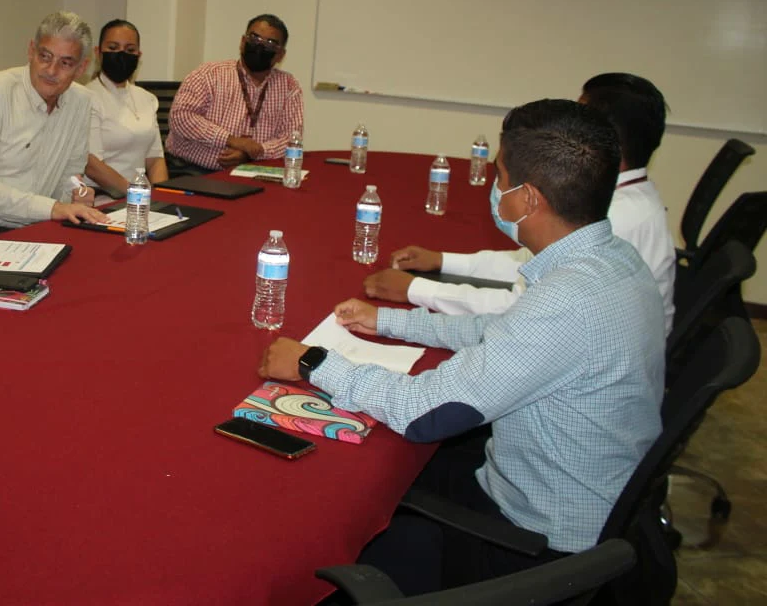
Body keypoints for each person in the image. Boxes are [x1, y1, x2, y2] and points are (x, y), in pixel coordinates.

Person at [259, 99, 664, 595]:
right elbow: (507, 330)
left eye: (500, 177)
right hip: (578, 491)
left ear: (528, 199)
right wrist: (390, 321)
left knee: (333, 514)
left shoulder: (567, 301)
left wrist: (312, 362)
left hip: (535, 541)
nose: (495, 189)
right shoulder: (612, 259)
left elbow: (425, 412)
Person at [364, 73, 676, 334]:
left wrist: (417, 290)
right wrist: (443, 261)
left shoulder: (614, 219)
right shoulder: (630, 197)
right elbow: (529, 267)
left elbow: (518, 310)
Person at [0, 11, 109, 230]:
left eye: (65, 63)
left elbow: (70, 173)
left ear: (81, 68)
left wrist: (75, 194)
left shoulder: (81, 101)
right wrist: (53, 208)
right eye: (45, 57)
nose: (51, 70)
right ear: (31, 51)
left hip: (31, 228)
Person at [165, 14, 304, 172]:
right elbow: (180, 117)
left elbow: (292, 139)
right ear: (242, 42)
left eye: (270, 43)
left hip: (252, 172)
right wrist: (230, 140)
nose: (260, 46)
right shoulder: (209, 74)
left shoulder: (289, 86)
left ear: (280, 55)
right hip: (192, 170)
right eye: (255, 38)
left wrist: (253, 153)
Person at [81, 19, 168, 197]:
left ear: (138, 55)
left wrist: (163, 197)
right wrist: (137, 195)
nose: (121, 55)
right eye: (113, 48)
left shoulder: (147, 99)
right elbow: (92, 165)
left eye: (130, 50)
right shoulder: (86, 97)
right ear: (98, 53)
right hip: (103, 197)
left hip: (141, 198)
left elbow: (155, 159)